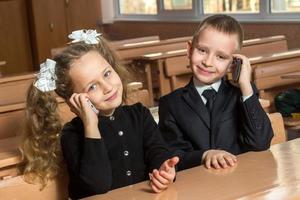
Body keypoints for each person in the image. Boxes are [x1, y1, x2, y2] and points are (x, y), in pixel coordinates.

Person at [22, 30, 179, 199]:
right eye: (92, 87)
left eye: (107, 73)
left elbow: (157, 151)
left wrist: (164, 170)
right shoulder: (72, 134)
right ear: (73, 101)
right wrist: (90, 124)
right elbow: (97, 185)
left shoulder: (139, 114)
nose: (108, 87)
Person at [158, 15, 273, 171]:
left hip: (240, 182)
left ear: (233, 64)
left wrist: (245, 85)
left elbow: (260, 142)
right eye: (202, 50)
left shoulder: (242, 94)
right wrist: (204, 155)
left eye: (220, 57)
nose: (208, 62)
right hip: (198, 186)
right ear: (189, 50)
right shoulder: (171, 103)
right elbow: (174, 155)